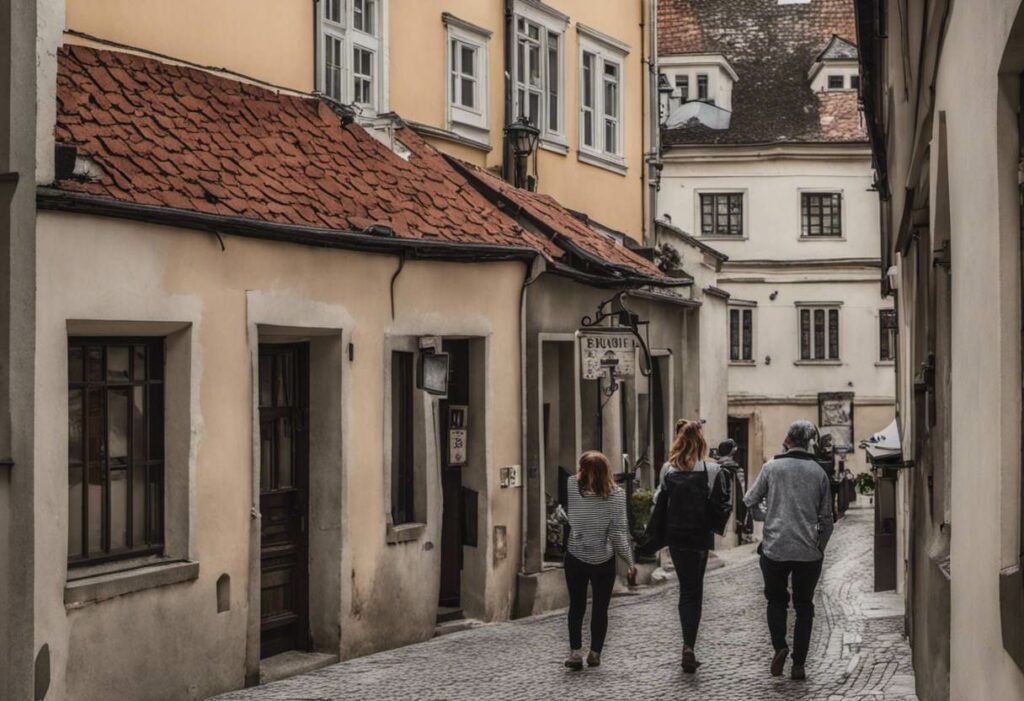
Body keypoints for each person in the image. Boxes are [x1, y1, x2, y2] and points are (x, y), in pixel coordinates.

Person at [743, 420, 835, 681]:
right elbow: (826, 518)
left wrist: (766, 516)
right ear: (810, 442)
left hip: (775, 547)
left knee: (776, 600)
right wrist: (820, 546)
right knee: (804, 606)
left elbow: (749, 500)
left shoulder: (771, 467)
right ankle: (799, 665)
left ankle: (780, 646)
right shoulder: (818, 473)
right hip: (808, 550)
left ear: (788, 438)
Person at [644, 420, 730, 673]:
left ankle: (688, 645)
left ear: (679, 441)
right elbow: (722, 503)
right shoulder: (712, 469)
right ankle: (689, 645)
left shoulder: (668, 469)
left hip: (676, 536)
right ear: (701, 442)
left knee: (685, 589)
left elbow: (658, 501)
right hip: (700, 536)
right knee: (695, 589)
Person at [562, 450, 636, 670]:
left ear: (583, 470)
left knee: (576, 606)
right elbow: (618, 533)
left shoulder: (571, 485)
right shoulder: (616, 495)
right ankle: (594, 653)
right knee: (600, 608)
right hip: (602, 559)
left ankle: (576, 654)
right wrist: (630, 562)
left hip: (575, 555)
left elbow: (574, 517)